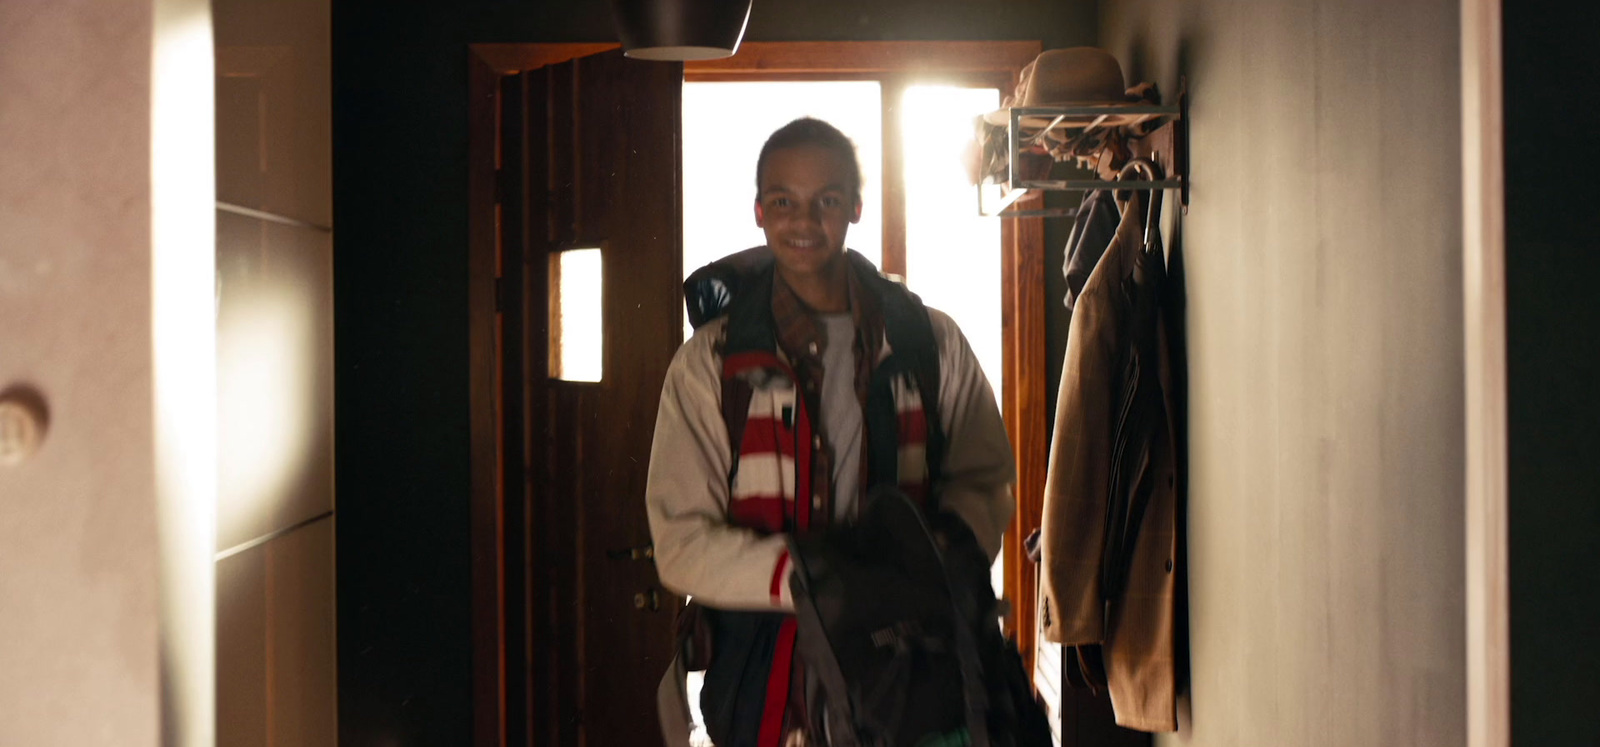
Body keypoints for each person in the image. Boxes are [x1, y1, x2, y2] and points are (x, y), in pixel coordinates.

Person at [645, 117, 1016, 747]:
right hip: (770, 673)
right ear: (759, 212)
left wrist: (920, 571)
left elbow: (985, 483)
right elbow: (680, 544)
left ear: (855, 208)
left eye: (828, 200)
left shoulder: (930, 341)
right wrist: (815, 581)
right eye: (784, 200)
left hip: (917, 662)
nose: (805, 220)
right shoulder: (713, 364)